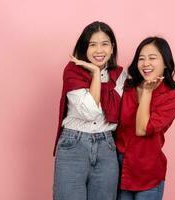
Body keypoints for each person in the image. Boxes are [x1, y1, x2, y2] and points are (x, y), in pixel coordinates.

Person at [53, 21, 126, 200]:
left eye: (104, 44)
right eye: (92, 44)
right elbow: (89, 112)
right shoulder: (72, 71)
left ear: (112, 47)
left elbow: (122, 113)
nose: (99, 50)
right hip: (73, 145)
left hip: (106, 147)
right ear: (84, 47)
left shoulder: (120, 75)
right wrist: (95, 73)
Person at [115, 37, 175, 200]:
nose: (146, 64)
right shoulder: (126, 87)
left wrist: (147, 92)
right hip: (118, 170)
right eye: (141, 58)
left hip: (148, 173)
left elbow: (142, 129)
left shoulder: (172, 96)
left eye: (152, 58)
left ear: (166, 63)